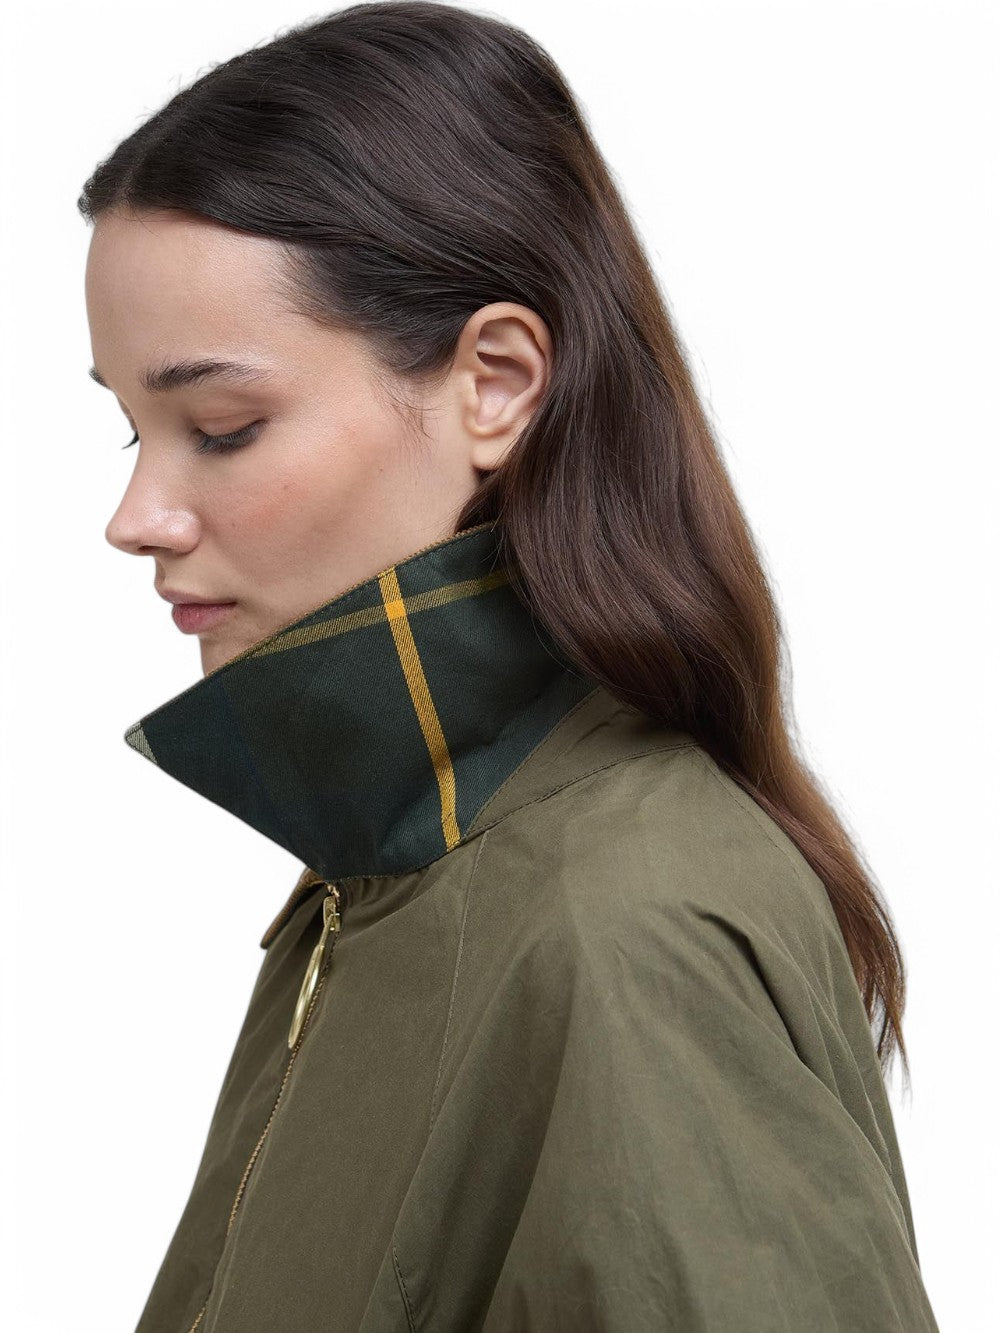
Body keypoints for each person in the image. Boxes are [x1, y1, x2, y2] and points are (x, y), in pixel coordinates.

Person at [80, 3, 940, 1330]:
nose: (136, 516)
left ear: (494, 382)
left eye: (223, 425)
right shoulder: (386, 873)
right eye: (132, 431)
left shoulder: (625, 929)